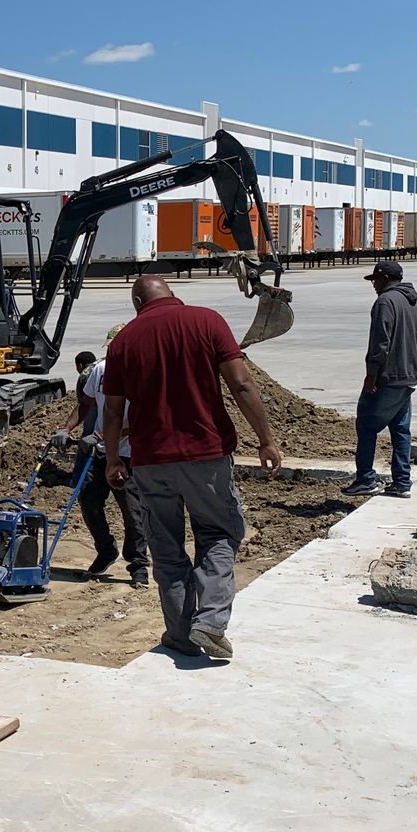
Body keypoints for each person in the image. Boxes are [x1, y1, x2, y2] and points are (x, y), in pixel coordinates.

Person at [102, 276, 282, 663]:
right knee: (218, 533)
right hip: (206, 456)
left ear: (138, 300)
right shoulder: (207, 321)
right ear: (171, 292)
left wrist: (113, 458)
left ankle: (181, 636)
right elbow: (242, 384)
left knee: (166, 549)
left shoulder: (123, 342)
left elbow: (113, 409)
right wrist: (265, 439)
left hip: (151, 462)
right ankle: (212, 621)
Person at [55, 338, 148, 586]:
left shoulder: (142, 371)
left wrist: (100, 436)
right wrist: (66, 429)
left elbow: (143, 420)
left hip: (128, 455)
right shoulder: (101, 370)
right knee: (88, 500)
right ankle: (106, 549)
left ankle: (138, 563)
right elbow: (86, 404)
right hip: (100, 453)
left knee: (133, 512)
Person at [342, 258, 417, 498]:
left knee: (367, 426)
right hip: (409, 376)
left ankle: (366, 479)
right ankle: (402, 482)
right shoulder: (415, 303)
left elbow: (380, 343)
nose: (374, 285)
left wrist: (371, 374)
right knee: (400, 429)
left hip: (388, 377)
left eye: (376, 280)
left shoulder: (385, 302)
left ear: (387, 279)